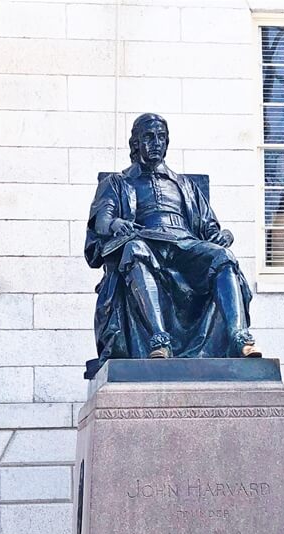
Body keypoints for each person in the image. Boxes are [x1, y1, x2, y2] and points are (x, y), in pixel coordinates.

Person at [84, 113, 260, 377]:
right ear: (136, 143)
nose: (156, 143)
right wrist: (115, 225)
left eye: (161, 137)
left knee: (224, 256)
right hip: (146, 241)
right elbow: (102, 220)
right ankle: (159, 340)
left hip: (185, 246)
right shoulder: (118, 183)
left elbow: (207, 225)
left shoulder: (185, 185)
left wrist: (223, 234)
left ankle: (239, 337)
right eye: (149, 137)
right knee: (133, 250)